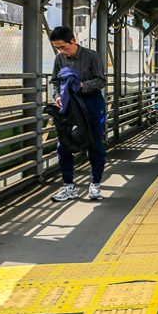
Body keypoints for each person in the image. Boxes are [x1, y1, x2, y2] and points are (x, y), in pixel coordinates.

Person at [49, 26, 107, 201]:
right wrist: (58, 96)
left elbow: (101, 80)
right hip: (68, 105)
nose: (61, 51)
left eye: (63, 47)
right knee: (63, 144)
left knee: (95, 144)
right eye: (58, 48)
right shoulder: (59, 59)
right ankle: (68, 187)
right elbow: (55, 81)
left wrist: (83, 86)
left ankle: (95, 185)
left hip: (91, 103)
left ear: (73, 41)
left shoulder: (91, 56)